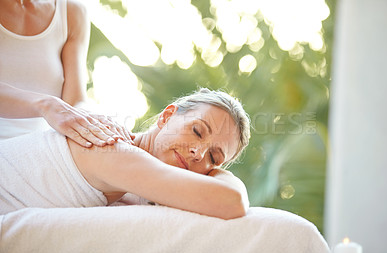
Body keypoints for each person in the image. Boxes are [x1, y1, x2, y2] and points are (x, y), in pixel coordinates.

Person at [0, 89, 251, 219]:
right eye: (197, 131)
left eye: (214, 158)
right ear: (166, 116)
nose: (198, 153)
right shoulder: (115, 149)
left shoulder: (135, 190)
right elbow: (232, 201)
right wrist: (219, 172)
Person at [0, 0, 132, 147]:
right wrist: (46, 105)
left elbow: (75, 103)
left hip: (47, 146)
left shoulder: (71, 12)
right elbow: (56, 107)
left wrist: (101, 123)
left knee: (117, 150)